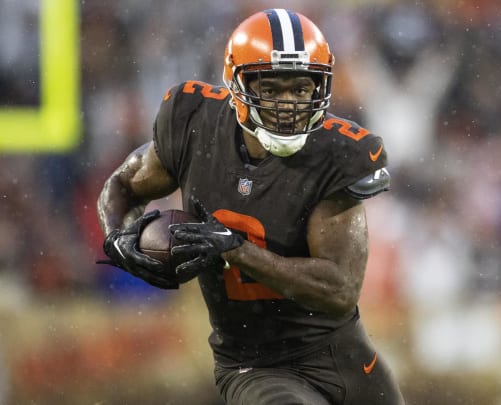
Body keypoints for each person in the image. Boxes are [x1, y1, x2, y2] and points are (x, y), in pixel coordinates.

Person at [96, 8, 404, 405]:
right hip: (255, 363)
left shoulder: (337, 155)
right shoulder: (194, 125)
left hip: (340, 351)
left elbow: (338, 288)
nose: (288, 104)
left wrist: (235, 249)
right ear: (237, 85)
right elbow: (123, 185)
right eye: (272, 89)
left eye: (300, 88)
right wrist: (119, 237)